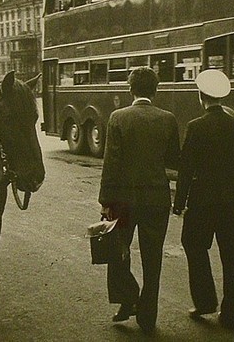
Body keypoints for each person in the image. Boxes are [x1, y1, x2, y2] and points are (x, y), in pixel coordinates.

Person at [98, 66, 180, 334]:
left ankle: (127, 299)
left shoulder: (118, 117)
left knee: (117, 251)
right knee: (152, 257)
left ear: (130, 89)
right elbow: (172, 159)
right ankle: (148, 316)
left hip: (123, 198)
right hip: (157, 198)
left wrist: (105, 200)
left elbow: (111, 163)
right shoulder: (168, 119)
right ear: (155, 90)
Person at [173, 69, 234, 331]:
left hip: (203, 200)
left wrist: (179, 202)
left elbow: (186, 169)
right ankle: (231, 315)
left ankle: (205, 301)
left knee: (193, 244)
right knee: (233, 257)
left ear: (201, 96)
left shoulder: (195, 127)